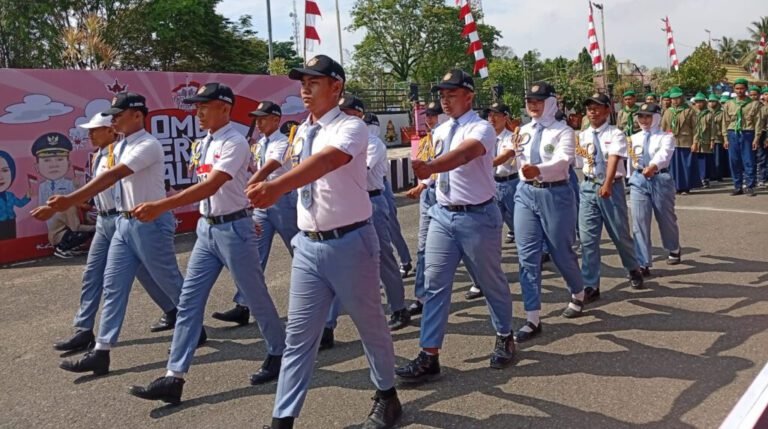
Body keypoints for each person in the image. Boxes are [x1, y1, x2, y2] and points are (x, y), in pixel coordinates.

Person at [246, 55, 402, 429]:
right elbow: (290, 164)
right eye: (302, 82)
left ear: (337, 87)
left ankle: (387, 395)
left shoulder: (352, 128)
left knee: (370, 326)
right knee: (299, 338)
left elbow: (327, 162)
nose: (305, 89)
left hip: (351, 241)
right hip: (308, 245)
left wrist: (276, 187)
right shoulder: (301, 131)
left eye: (314, 82)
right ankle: (282, 419)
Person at [127, 83, 286, 404]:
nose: (198, 112)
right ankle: (174, 376)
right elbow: (201, 177)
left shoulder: (236, 142)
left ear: (225, 109)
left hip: (235, 228)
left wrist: (161, 205)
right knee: (188, 301)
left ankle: (280, 351)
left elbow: (213, 184)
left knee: (254, 297)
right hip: (207, 230)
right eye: (196, 106)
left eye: (205, 106)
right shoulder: (204, 142)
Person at [33, 92, 190, 376]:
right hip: (123, 223)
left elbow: (113, 176)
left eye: (119, 115)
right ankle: (101, 350)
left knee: (169, 281)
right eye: (113, 116)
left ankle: (192, 328)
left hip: (149, 222)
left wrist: (68, 201)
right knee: (113, 284)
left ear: (138, 115)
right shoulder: (121, 147)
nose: (114, 119)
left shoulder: (148, 144)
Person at [395, 69, 515, 384]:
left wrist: (432, 166)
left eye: (451, 94)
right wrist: (425, 179)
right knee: (434, 284)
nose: (445, 100)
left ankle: (504, 332)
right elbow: (432, 168)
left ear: (469, 95)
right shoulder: (440, 130)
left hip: (478, 216)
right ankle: (429, 355)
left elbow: (465, 155)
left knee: (490, 282)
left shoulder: (482, 128)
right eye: (442, 94)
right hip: (443, 214)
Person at [47, 113, 177, 353]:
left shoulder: (123, 152)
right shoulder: (98, 156)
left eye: (95, 130)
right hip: (104, 222)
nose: (90, 135)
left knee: (149, 274)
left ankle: (177, 312)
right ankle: (84, 331)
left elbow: (116, 180)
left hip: (123, 219)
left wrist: (71, 200)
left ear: (110, 130)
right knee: (93, 275)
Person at [321, 96, 411, 349]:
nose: (343, 116)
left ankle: (399, 307)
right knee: (337, 265)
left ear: (359, 115)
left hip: (372, 200)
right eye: (341, 111)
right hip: (345, 202)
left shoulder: (373, 143)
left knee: (383, 257)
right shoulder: (332, 138)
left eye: (348, 111)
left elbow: (361, 170)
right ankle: (328, 326)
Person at [508, 82, 586, 343]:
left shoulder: (563, 131)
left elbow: (564, 161)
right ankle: (532, 318)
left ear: (551, 103)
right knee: (527, 254)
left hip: (556, 193)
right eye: (530, 100)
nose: (533, 104)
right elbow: (516, 159)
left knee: (560, 251)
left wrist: (539, 169)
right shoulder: (523, 131)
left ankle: (578, 290)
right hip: (526, 193)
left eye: (539, 100)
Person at [211, 101, 299, 326]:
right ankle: (243, 305)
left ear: (276, 120)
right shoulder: (259, 144)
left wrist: (248, 185)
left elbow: (269, 168)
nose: (258, 123)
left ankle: (325, 297)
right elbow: (255, 167)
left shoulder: (283, 142)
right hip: (262, 203)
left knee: (299, 252)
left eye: (263, 118)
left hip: (282, 201)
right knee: (254, 256)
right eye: (256, 119)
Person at [577, 93, 645, 306]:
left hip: (611, 186)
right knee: (588, 240)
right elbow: (579, 161)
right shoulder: (583, 135)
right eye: (589, 108)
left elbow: (614, 159)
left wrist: (606, 183)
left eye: (597, 107)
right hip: (588, 186)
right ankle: (591, 285)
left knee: (619, 234)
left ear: (608, 110)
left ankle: (633, 267)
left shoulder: (616, 134)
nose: (592, 111)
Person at [628, 103, 682, 272]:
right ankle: (643, 262)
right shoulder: (633, 138)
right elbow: (628, 159)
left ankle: (673, 247)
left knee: (666, 219)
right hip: (639, 181)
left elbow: (664, 154)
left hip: (660, 179)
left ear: (656, 117)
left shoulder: (666, 136)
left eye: (648, 116)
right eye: (641, 116)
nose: (644, 120)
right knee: (639, 221)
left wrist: (652, 166)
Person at [722, 78, 765, 196]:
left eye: (742, 88)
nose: (739, 91)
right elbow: (725, 122)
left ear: (746, 89)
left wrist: (756, 138)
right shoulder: (729, 104)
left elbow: (758, 122)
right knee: (734, 161)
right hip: (732, 133)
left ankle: (750, 186)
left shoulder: (754, 104)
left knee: (749, 160)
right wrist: (725, 138)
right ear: (734, 89)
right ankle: (737, 186)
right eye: (737, 88)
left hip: (748, 133)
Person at [661, 87, 699, 194]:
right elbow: (662, 128)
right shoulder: (668, 111)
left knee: (685, 165)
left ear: (681, 98)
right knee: (673, 166)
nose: (675, 100)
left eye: (677, 98)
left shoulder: (689, 110)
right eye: (673, 98)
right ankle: (675, 186)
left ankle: (685, 187)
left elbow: (696, 127)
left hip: (685, 141)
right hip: (671, 142)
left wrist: (695, 142)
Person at [0, 150, 31, 240]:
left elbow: (19, 204)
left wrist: (27, 197)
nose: (0, 176)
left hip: (11, 221)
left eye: (5, 170)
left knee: (11, 238)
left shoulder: (10, 195)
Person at [691, 92, 716, 189]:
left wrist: (712, 140)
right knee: (695, 160)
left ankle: (705, 179)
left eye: (700, 102)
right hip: (695, 141)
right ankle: (697, 179)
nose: (698, 104)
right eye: (697, 102)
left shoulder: (709, 114)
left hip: (706, 141)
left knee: (705, 161)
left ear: (705, 103)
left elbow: (713, 129)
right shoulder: (692, 113)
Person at [710, 94, 730, 181]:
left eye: (713, 101)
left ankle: (718, 175)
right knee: (710, 158)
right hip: (708, 138)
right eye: (710, 101)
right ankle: (711, 175)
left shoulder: (721, 113)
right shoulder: (707, 112)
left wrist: (725, 138)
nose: (711, 103)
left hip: (718, 138)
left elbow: (724, 126)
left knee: (718, 158)